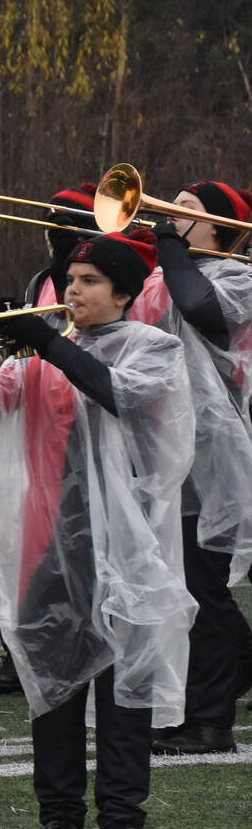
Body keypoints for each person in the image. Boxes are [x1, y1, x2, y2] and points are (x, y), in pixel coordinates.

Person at [0, 230, 194, 829]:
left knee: (123, 690)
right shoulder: (37, 356)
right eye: (71, 280)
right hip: (48, 541)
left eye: (88, 281)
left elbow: (121, 395)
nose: (73, 291)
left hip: (127, 547)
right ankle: (59, 818)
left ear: (121, 291)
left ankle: (122, 819)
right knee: (53, 687)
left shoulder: (153, 347)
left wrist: (49, 344)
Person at [0, 182, 102, 696]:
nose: (50, 231)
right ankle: (23, 647)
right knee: (9, 544)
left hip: (80, 442)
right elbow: (26, 367)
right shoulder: (42, 282)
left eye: (62, 222)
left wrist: (36, 340)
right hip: (37, 438)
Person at [128, 182, 252, 755]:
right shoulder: (164, 275)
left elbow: (202, 309)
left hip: (218, 458)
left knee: (205, 589)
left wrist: (169, 248)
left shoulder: (239, 276)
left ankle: (211, 720)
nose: (168, 213)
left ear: (222, 229)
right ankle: (198, 703)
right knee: (183, 587)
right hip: (165, 452)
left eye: (188, 209)